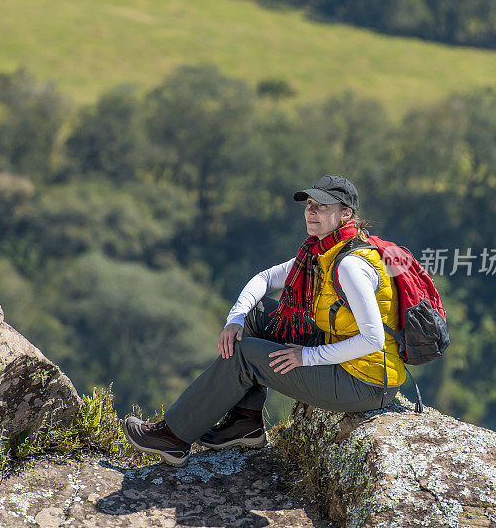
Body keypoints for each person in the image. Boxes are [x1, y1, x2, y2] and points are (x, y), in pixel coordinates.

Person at [123, 175, 405, 467]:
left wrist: (306, 357)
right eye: (309, 204)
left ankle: (173, 437)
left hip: (366, 383)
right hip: (341, 353)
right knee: (254, 315)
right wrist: (235, 319)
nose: (311, 211)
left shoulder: (349, 265)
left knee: (245, 356)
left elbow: (374, 340)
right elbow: (267, 278)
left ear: (346, 213)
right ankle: (245, 423)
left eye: (322, 206)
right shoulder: (320, 253)